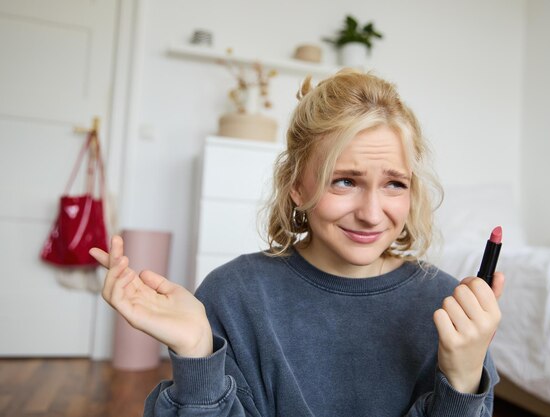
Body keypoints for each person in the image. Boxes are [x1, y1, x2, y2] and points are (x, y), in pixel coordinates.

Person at [90, 69, 504, 417]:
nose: (372, 213)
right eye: (345, 181)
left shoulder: (451, 310)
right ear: (295, 186)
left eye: (395, 184)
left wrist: (463, 380)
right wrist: (197, 354)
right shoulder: (233, 295)